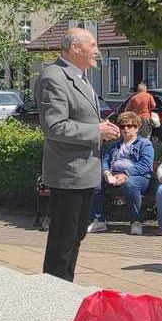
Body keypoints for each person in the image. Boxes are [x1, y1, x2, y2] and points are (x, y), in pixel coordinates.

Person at [38, 28, 119, 281]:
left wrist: (103, 128)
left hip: (85, 172)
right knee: (63, 241)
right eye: (93, 45)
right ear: (75, 47)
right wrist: (96, 130)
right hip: (68, 173)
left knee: (75, 237)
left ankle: (65, 288)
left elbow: (79, 118)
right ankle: (54, 292)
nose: (97, 51)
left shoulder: (80, 76)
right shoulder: (54, 77)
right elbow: (54, 126)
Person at [89, 111, 155, 235]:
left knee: (130, 184)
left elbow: (145, 165)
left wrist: (125, 175)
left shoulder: (145, 144)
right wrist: (106, 173)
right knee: (94, 182)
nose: (125, 129)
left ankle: (136, 221)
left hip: (138, 177)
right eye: (123, 126)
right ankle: (99, 221)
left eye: (129, 126)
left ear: (137, 127)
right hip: (114, 176)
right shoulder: (114, 146)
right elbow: (105, 160)